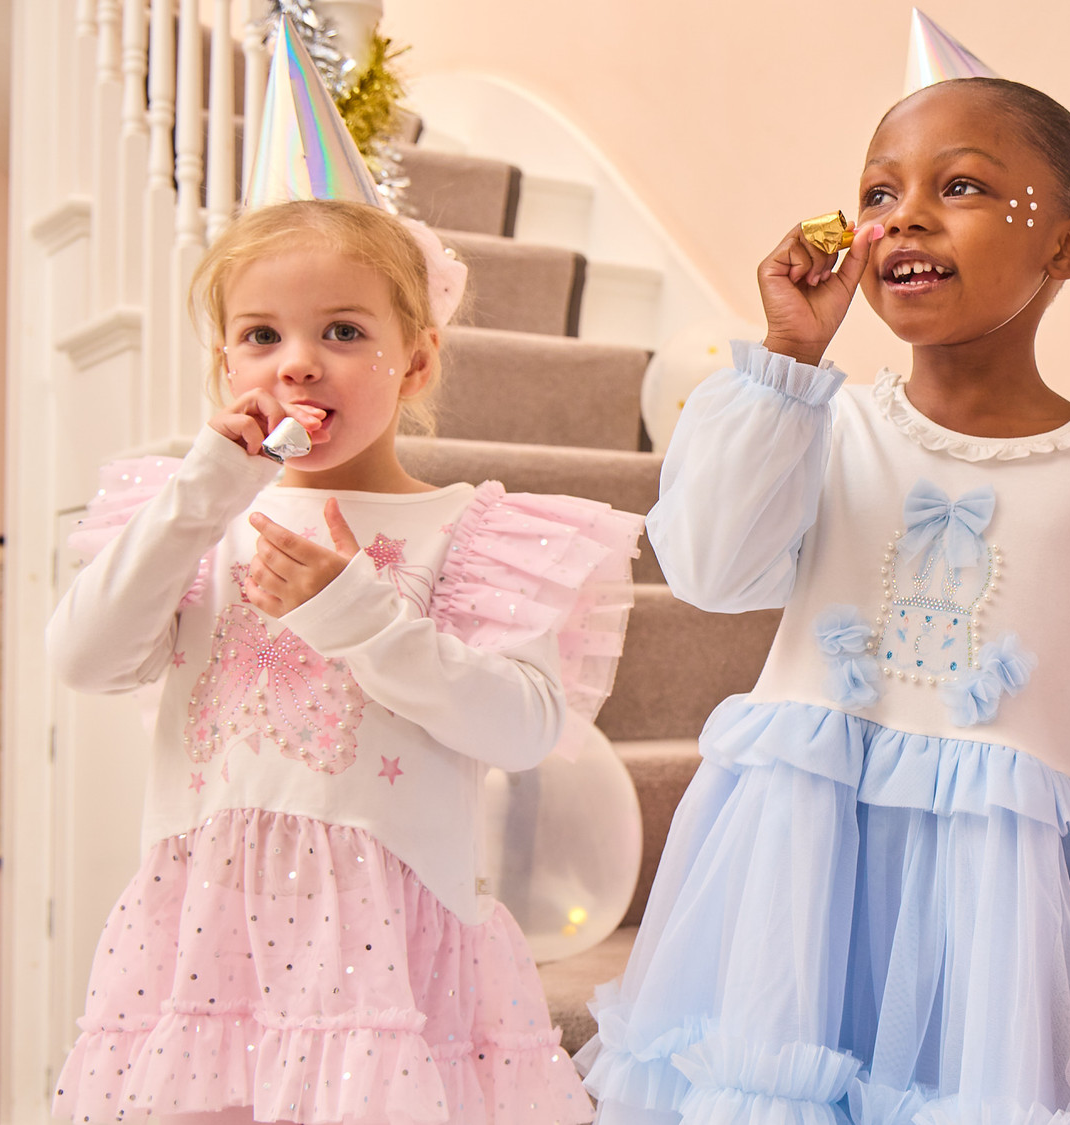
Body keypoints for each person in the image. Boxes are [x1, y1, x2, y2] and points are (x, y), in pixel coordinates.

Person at [578, 76, 1070, 1124]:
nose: (906, 217)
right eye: (879, 193)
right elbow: (707, 568)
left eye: (961, 186)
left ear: (1068, 244)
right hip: (789, 893)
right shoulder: (814, 422)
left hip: (991, 930)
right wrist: (790, 359)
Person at [49, 197, 643, 1125]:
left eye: (342, 330)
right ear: (226, 365)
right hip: (210, 939)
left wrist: (359, 615)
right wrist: (201, 496)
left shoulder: (472, 531)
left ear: (418, 361)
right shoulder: (195, 519)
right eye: (261, 335)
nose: (297, 362)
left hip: (388, 955)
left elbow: (524, 728)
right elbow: (86, 657)